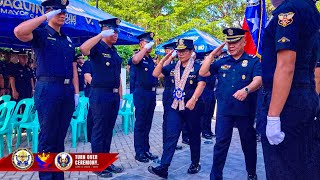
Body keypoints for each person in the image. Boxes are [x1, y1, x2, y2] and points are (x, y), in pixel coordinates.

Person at [14, 0, 80, 179]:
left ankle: (58, 175)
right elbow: (19, 31)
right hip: (48, 88)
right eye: (57, 11)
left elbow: (73, 68)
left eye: (63, 11)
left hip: (66, 91)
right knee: (47, 137)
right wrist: (44, 17)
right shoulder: (41, 34)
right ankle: (45, 176)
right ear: (49, 12)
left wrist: (76, 93)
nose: (62, 14)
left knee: (60, 138)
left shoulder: (67, 39)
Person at [260, 0, 320, 179]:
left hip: (286, 101)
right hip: (304, 94)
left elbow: (286, 66)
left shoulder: (289, 10)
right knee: (306, 164)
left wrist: (273, 116)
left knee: (282, 167)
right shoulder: (310, 9)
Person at [199, 28, 262, 180]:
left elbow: (258, 80)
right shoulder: (222, 62)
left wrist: (246, 89)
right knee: (220, 144)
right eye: (229, 42)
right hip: (224, 111)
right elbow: (202, 72)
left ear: (244, 42)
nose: (231, 45)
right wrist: (213, 54)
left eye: (235, 42)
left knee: (248, 144)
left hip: (245, 111)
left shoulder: (252, 60)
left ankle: (252, 174)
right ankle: (215, 176)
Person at [149, 39, 206, 178]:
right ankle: (164, 167)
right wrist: (164, 59)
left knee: (193, 135)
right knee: (171, 135)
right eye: (179, 51)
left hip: (192, 106)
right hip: (175, 106)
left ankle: (195, 162)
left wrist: (193, 99)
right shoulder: (173, 66)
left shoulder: (198, 67)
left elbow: (202, 84)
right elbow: (156, 74)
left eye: (184, 51)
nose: (181, 53)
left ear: (191, 51)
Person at [80, 17, 124, 178]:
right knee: (99, 130)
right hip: (100, 94)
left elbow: (117, 75)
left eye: (116, 32)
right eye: (112, 31)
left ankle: (106, 161)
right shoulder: (97, 47)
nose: (115, 34)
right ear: (104, 30)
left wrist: (120, 94)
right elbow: (83, 49)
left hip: (113, 95)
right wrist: (100, 35)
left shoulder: (114, 51)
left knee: (108, 130)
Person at [130, 32, 159, 163]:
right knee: (140, 123)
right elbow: (135, 60)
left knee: (148, 123)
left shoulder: (149, 59)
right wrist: (145, 49)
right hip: (141, 93)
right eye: (147, 42)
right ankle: (139, 152)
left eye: (151, 43)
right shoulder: (138, 57)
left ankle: (146, 149)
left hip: (151, 94)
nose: (150, 45)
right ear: (141, 44)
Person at [82, 59, 93, 142]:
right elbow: (87, 79)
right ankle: (90, 136)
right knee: (92, 113)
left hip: (103, 91)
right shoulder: (88, 63)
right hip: (92, 91)